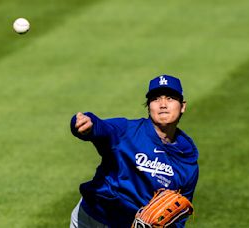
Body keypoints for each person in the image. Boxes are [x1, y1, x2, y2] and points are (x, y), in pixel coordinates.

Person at [69, 75, 199, 228]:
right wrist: (85, 124)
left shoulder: (187, 162)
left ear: (182, 106)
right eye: (156, 99)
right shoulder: (126, 131)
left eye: (170, 98)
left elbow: (179, 216)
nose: (163, 104)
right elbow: (100, 127)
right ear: (149, 106)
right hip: (90, 217)